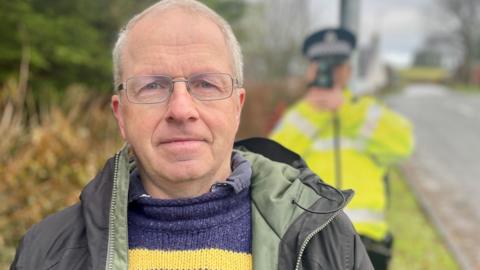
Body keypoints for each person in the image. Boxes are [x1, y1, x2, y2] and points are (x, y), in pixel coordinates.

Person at [10, 2, 373, 269]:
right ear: (121, 115)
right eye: (152, 86)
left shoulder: (325, 240)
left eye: (205, 83)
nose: (181, 109)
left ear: (237, 106)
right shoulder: (48, 251)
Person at [270, 28, 414, 270]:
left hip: (367, 243)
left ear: (348, 70)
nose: (331, 73)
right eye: (322, 65)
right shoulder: (298, 116)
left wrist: (346, 110)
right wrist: (313, 112)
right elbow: (273, 162)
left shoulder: (367, 111)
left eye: (337, 66)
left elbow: (404, 146)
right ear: (310, 71)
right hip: (310, 242)